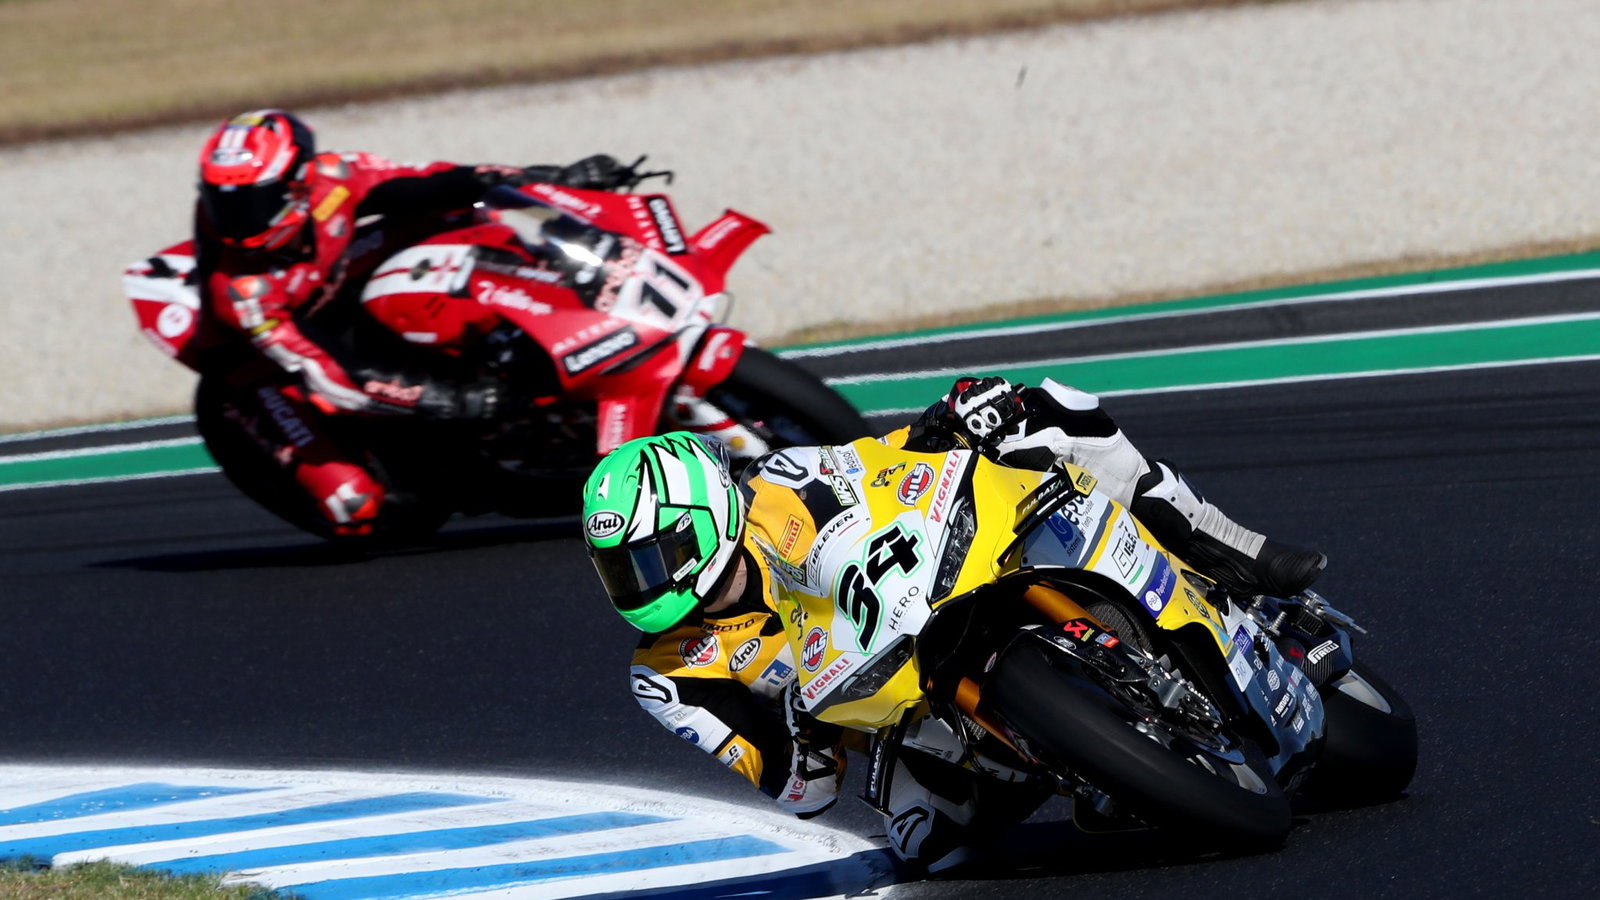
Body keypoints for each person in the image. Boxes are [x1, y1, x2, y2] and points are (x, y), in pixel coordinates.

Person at [579, 375, 1325, 872]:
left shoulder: (785, 482)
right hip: (890, 720)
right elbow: (798, 793)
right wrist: (804, 738)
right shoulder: (668, 678)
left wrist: (951, 416)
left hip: (932, 587)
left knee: (1048, 410)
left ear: (706, 518)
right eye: (625, 570)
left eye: (654, 557)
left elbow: (882, 461)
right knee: (927, 848)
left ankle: (1230, 548)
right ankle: (1084, 762)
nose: (645, 584)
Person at [126, 108, 648, 536]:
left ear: (297, 182)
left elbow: (435, 182)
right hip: (266, 371)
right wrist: (442, 400)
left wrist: (549, 179)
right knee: (354, 510)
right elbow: (328, 375)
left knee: (460, 213)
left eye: (253, 201)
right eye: (225, 202)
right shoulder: (241, 292)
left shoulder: (333, 178)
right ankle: (462, 472)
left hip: (331, 288)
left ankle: (549, 309)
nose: (238, 220)